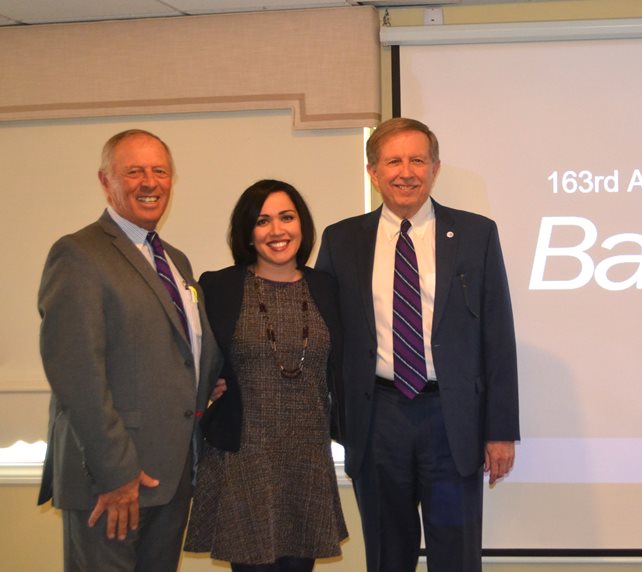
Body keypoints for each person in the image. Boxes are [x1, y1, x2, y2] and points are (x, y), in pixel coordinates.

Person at [315, 117, 519, 572]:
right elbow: (323, 334)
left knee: (456, 555)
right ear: (373, 172)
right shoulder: (341, 239)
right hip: (377, 419)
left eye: (417, 160)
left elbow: (497, 337)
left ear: (435, 168)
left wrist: (500, 429)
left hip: (452, 422)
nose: (406, 172)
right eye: (393, 161)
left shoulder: (475, 234)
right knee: (388, 556)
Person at [37, 129, 223, 571]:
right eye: (134, 171)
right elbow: (77, 375)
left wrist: (207, 381)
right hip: (113, 480)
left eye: (160, 171)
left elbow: (178, 351)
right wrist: (115, 472)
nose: (149, 182)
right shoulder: (78, 254)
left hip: (171, 475)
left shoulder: (174, 260)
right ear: (106, 181)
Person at [184, 179, 349, 571]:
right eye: (263, 221)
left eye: (287, 217)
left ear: (302, 225)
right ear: (247, 233)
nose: (277, 230)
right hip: (245, 458)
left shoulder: (326, 287)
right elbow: (190, 354)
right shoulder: (218, 286)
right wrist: (205, 388)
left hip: (307, 458)